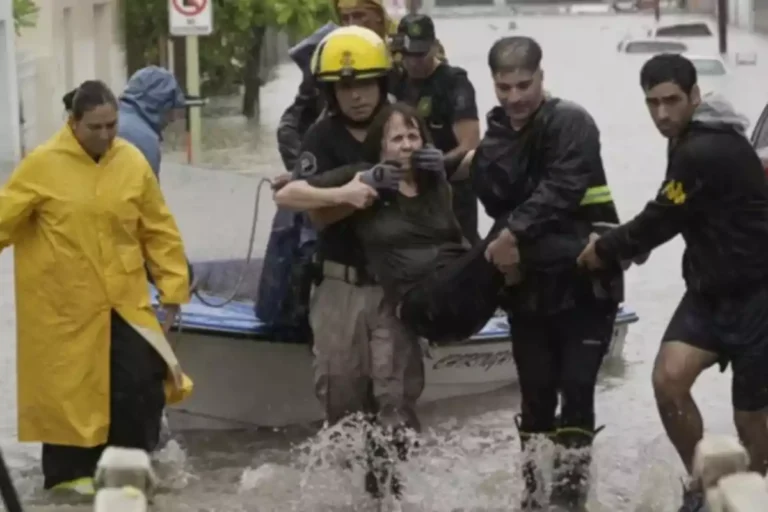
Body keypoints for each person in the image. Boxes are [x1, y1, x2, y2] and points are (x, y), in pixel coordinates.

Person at [578, 53, 768, 512]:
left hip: (758, 295)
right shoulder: (684, 140)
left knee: (751, 419)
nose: (662, 113)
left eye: (672, 101)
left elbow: (662, 217)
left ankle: (750, 494)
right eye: (652, 103)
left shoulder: (704, 147)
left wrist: (605, 249)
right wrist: (637, 241)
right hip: (707, 294)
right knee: (668, 380)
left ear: (694, 96)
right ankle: (701, 485)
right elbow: (676, 210)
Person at [0, 80, 193, 495]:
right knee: (69, 398)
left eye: (112, 125)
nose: (106, 135)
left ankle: (131, 478)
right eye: (96, 127)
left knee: (141, 384)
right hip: (63, 310)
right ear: (74, 123)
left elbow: (158, 230)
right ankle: (69, 485)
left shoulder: (131, 161)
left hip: (123, 302)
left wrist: (173, 291)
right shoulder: (42, 164)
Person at [473, 36, 624, 511]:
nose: (515, 97)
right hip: (528, 286)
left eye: (524, 84)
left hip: (586, 281)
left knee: (577, 389)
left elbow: (562, 187)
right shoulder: (496, 134)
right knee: (536, 398)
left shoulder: (572, 122)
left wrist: (513, 233)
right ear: (493, 85)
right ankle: (533, 498)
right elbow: (492, 196)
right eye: (504, 87)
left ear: (542, 76)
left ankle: (571, 499)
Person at [276, 0, 399, 173]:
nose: (351, 24)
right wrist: (304, 170)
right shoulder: (328, 56)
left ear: (379, 17)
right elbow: (290, 127)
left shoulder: (405, 53)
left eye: (358, 16)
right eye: (345, 18)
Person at [390, 14, 481, 243]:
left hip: (451, 187)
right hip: (407, 186)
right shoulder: (395, 81)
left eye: (421, 54)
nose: (414, 62)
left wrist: (442, 162)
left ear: (434, 46)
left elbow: (470, 145)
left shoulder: (454, 83)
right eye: (408, 55)